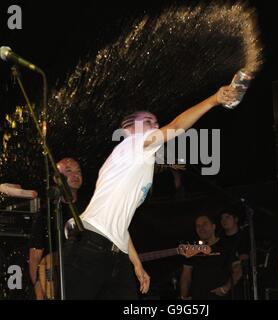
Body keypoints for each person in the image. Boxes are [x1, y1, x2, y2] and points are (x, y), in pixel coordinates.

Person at [63, 79, 244, 299]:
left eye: (156, 122)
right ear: (131, 128)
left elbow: (120, 224)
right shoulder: (134, 142)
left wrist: (137, 265)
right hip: (89, 246)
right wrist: (213, 100)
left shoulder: (133, 161)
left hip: (114, 252)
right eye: (150, 122)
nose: (156, 126)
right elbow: (177, 126)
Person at [29, 158, 85, 300]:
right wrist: (38, 289)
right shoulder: (47, 213)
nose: (75, 175)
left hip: (84, 279)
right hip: (55, 283)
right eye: (68, 171)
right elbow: (35, 255)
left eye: (78, 171)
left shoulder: (89, 208)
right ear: (56, 178)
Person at [180, 214, 242, 300]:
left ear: (213, 226)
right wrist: (183, 296)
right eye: (198, 226)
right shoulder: (192, 249)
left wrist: (225, 288)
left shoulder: (226, 246)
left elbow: (238, 270)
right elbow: (186, 276)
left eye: (205, 224)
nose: (201, 228)